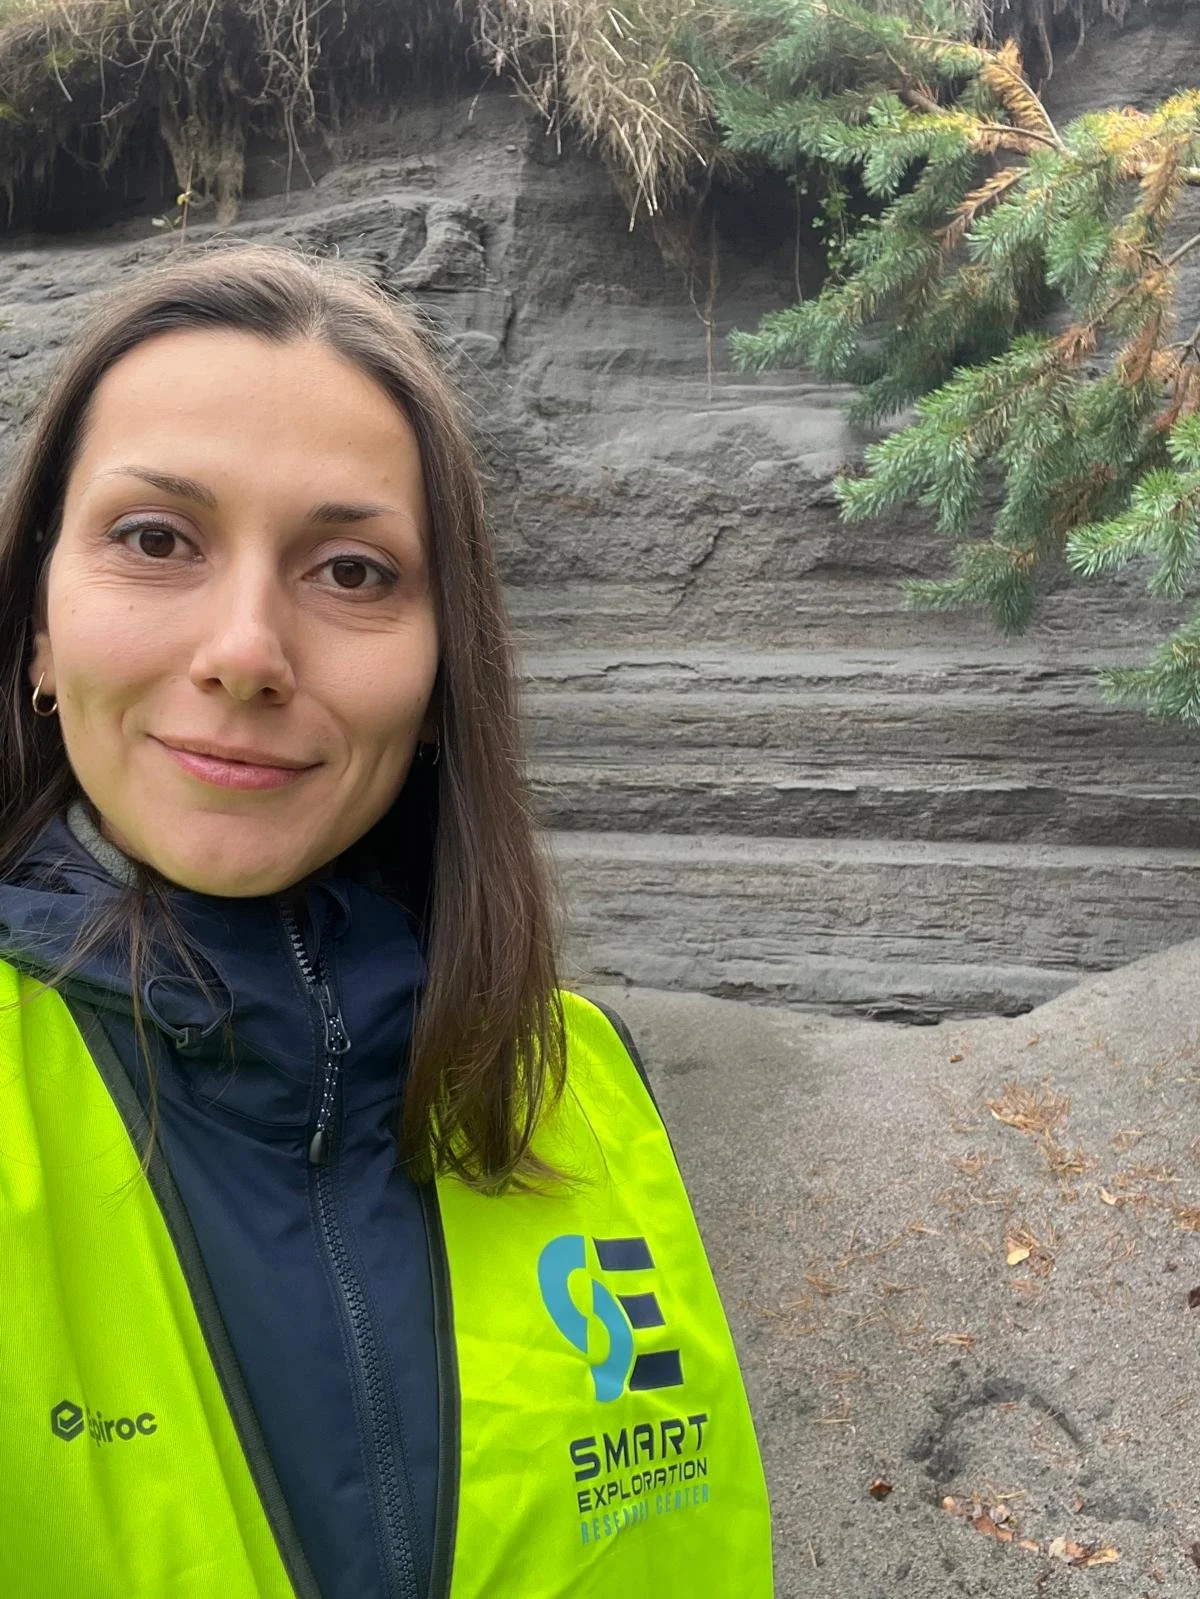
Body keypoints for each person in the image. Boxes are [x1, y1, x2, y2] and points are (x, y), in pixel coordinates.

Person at [0, 243, 772, 1599]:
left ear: (438, 666)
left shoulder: (579, 1085)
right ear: (38, 636)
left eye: (352, 571)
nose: (244, 650)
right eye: (156, 538)